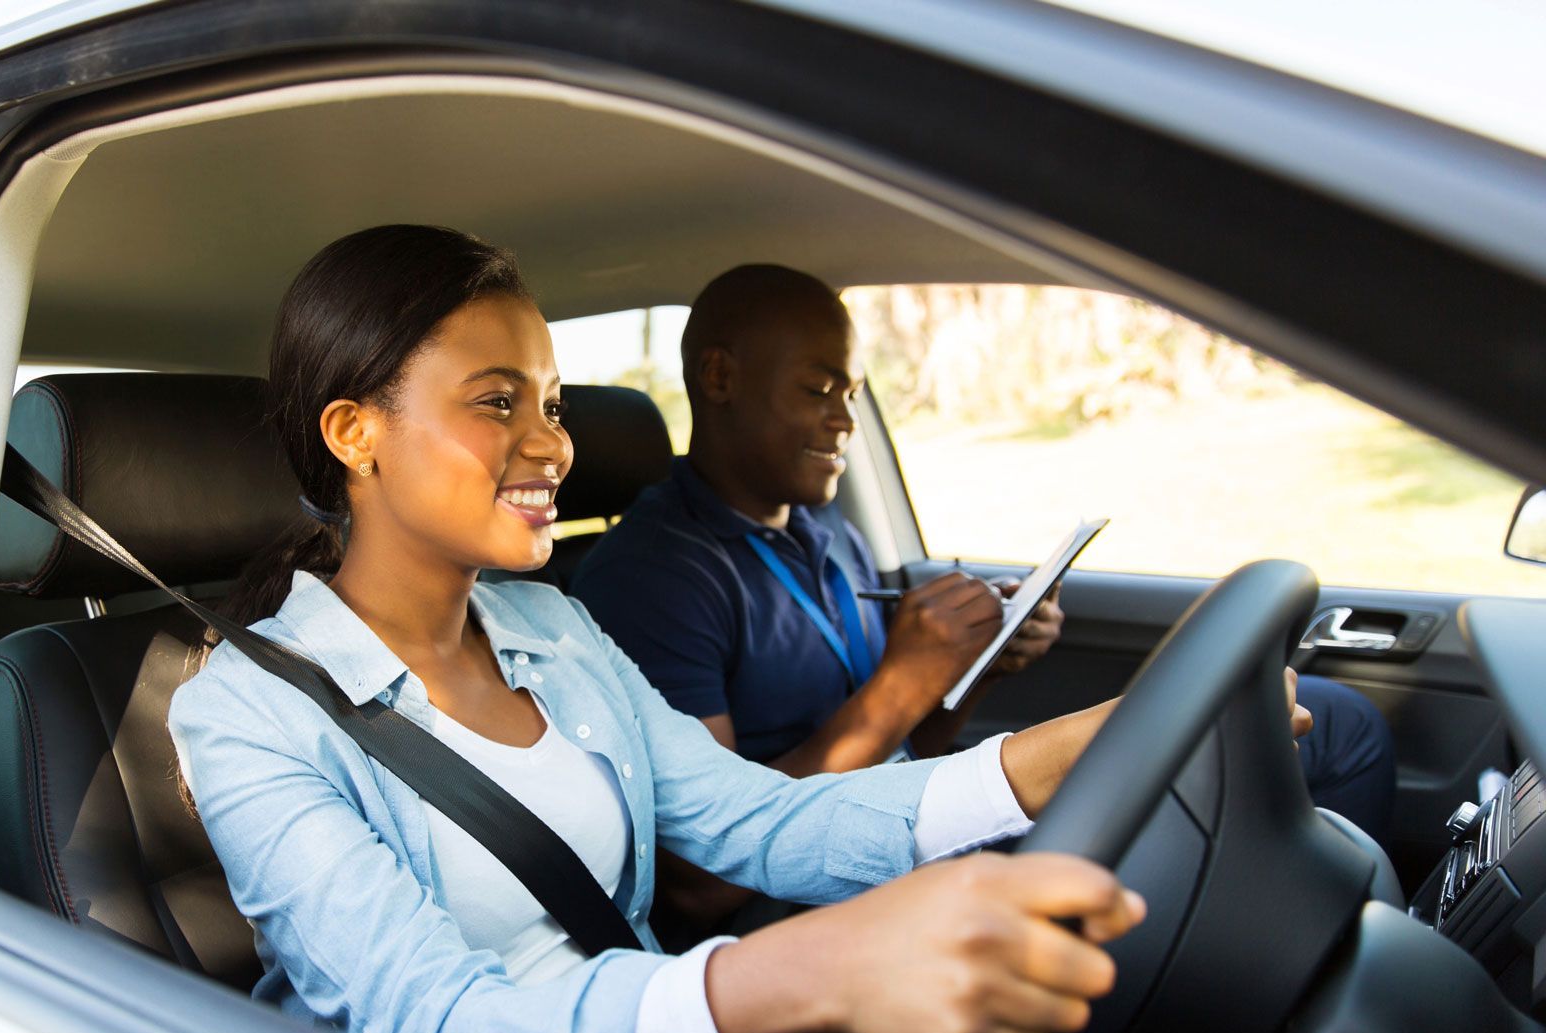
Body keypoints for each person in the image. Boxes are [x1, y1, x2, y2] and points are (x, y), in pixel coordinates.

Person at [168, 226, 1306, 1033]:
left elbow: (762, 820)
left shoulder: (551, 628)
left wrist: (1052, 755)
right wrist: (816, 972)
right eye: (496, 401)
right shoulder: (247, 714)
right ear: (353, 429)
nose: (551, 444)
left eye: (554, 403)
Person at [571, 264, 1395, 938]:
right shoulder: (653, 577)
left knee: (1331, 721)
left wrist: (976, 670)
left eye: (852, 393)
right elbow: (703, 881)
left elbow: (911, 754)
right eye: (820, 389)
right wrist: (901, 681)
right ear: (719, 377)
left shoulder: (828, 538)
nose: (844, 420)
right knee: (1269, 777)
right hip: (801, 898)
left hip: (907, 819)